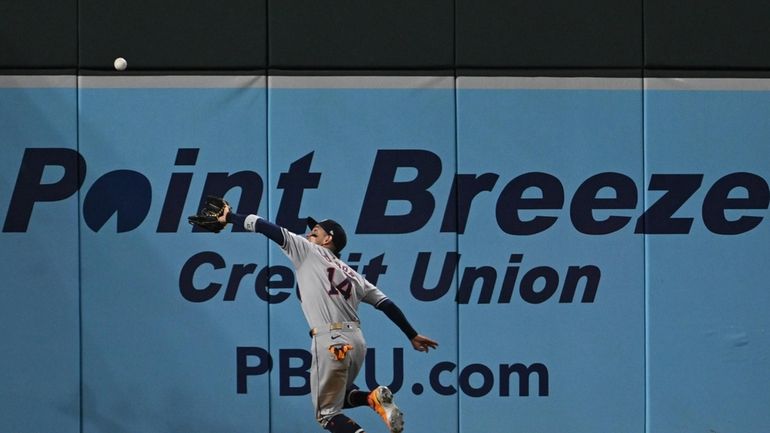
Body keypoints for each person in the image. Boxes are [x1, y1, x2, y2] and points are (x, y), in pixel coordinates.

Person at [217, 205, 439, 433]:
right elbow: (386, 304)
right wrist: (411, 334)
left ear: (327, 239)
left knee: (326, 415)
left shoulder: (307, 251)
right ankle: (373, 398)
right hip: (357, 342)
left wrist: (230, 217)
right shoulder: (354, 275)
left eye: (315, 232)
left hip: (331, 339)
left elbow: (263, 225)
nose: (307, 235)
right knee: (339, 397)